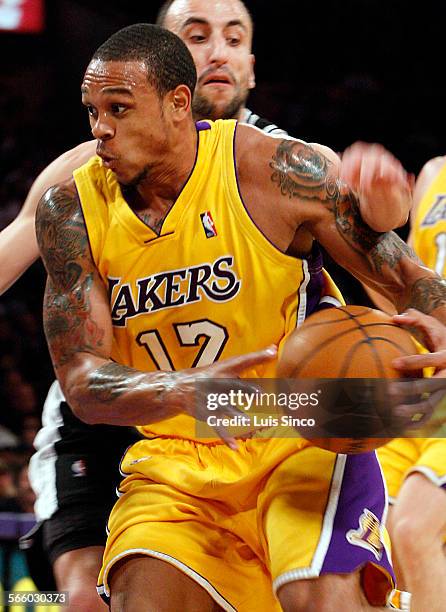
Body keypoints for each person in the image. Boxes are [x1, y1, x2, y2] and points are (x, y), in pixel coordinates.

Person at [0, 2, 412, 609]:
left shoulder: (283, 164)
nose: (216, 49)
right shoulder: (79, 182)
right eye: (196, 35)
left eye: (233, 35)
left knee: (317, 590)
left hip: (284, 412)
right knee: (97, 597)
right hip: (140, 422)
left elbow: (395, 269)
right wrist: (179, 391)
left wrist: (385, 214)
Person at [375, 152, 446, 612]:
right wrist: (372, 222)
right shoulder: (435, 174)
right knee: (373, 528)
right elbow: (409, 293)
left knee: (415, 529)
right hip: (425, 390)